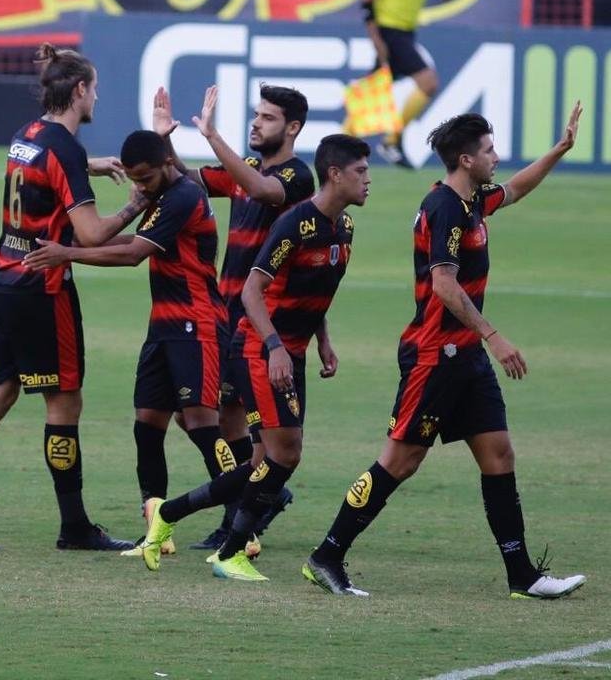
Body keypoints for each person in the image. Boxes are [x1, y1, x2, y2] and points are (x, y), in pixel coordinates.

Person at [303, 105, 587, 599]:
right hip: (436, 355)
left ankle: (523, 575)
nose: (496, 157)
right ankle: (327, 555)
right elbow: (444, 285)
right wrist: (494, 336)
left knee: (498, 454)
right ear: (465, 159)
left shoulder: (474, 199)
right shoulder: (444, 209)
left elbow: (515, 188)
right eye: (489, 151)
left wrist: (559, 150)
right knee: (400, 461)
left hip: (466, 355)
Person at [0, 43, 147, 553]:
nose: (97, 96)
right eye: (94, 88)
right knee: (64, 400)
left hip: (1, 277)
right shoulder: (63, 149)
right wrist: (136, 204)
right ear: (79, 90)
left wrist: (87, 166)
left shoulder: (26, 134)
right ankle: (74, 527)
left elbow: (45, 166)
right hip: (42, 289)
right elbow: (90, 237)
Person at [141, 105, 371, 580]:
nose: (369, 180)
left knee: (265, 459)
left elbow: (312, 289)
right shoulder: (295, 223)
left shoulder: (341, 227)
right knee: (278, 453)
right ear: (334, 174)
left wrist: (320, 338)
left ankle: (173, 517)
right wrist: (274, 347)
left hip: (289, 352)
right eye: (361, 171)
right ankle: (232, 550)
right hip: (260, 348)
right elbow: (252, 289)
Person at [23, 129, 226, 558]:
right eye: (135, 179)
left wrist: (70, 254)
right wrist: (80, 243)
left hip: (197, 321)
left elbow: (134, 254)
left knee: (202, 423)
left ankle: (243, 523)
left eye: (146, 178)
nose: (141, 186)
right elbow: (129, 242)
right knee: (147, 424)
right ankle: (157, 531)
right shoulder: (161, 195)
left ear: (167, 163)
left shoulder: (184, 196)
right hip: (163, 325)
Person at [153, 83, 314, 552]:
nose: (256, 122)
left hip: (260, 324)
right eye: (256, 114)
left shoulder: (295, 178)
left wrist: (211, 136)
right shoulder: (249, 171)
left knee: (245, 427)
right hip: (224, 317)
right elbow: (187, 180)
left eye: (267, 117)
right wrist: (165, 137)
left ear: (293, 128)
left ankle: (241, 519)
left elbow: (260, 189)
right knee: (209, 418)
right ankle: (264, 496)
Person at [363, 0, 467, 167]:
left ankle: (340, 144)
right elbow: (366, 0)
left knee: (372, 94)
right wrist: (377, 40)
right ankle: (391, 141)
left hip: (407, 32)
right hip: (388, 31)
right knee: (428, 83)